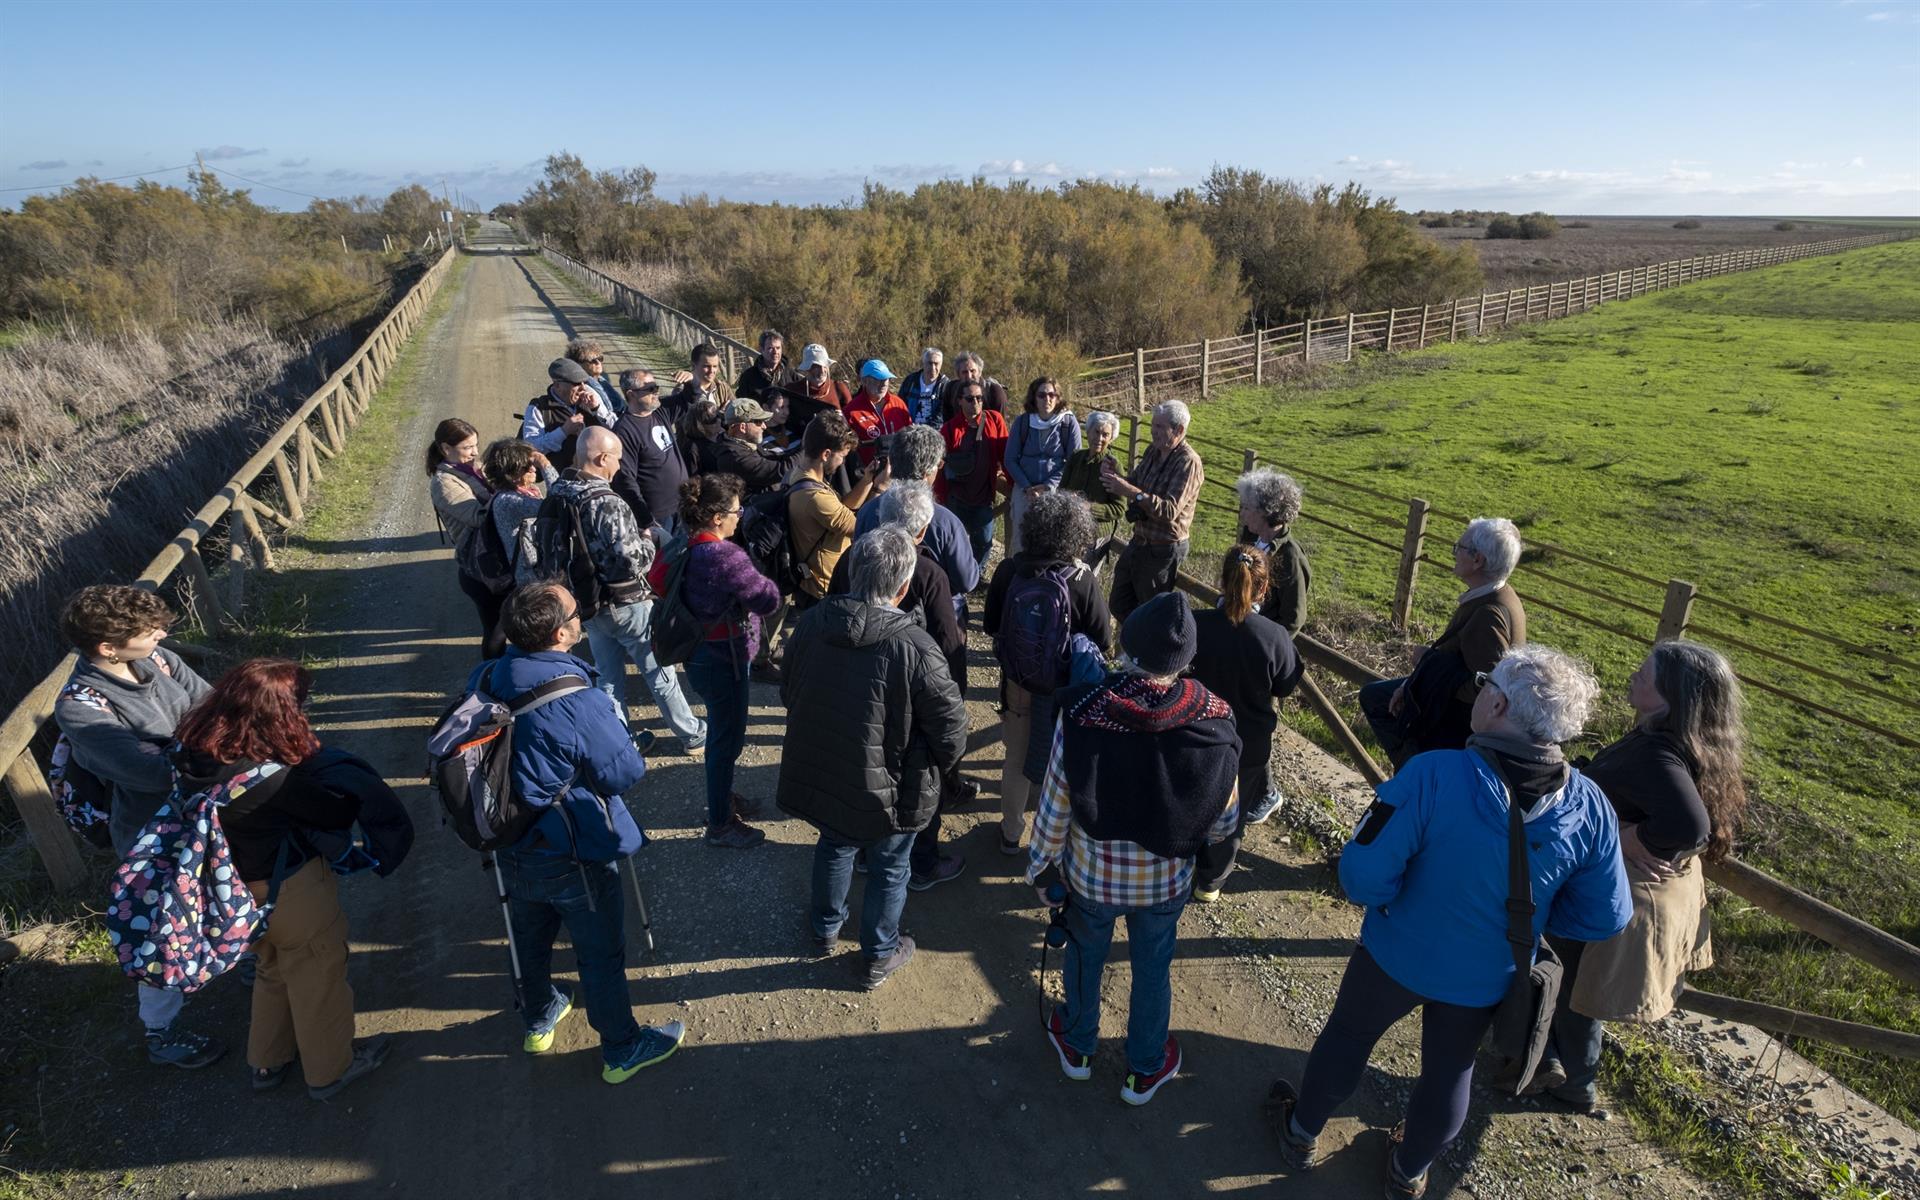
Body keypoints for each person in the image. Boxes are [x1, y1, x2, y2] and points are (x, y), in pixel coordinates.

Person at [1266, 645, 1631, 1199]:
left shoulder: (1432, 774)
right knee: (1448, 1073)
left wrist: (1397, 900)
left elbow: (1362, 875)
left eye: (1487, 684)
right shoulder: (1591, 807)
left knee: (1348, 1037)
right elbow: (1603, 916)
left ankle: (1301, 1134)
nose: (1479, 691)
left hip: (1396, 952)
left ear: (1500, 707)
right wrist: (1529, 921)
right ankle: (1408, 1172)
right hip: (1487, 975)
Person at [1029, 591, 1242, 1106]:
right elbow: (1225, 817)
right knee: (1153, 966)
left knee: (1083, 956)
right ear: (1185, 660)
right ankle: (1145, 1066)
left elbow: (1057, 801)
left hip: (1091, 876)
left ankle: (1077, 1046)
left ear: (1127, 648)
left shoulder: (1083, 712)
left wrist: (1042, 867)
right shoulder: (1215, 719)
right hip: (1166, 880)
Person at [472, 582, 686, 1083]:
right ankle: (621, 1047)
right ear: (561, 632)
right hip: (574, 846)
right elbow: (622, 774)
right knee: (600, 950)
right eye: (575, 611)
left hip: (509, 839)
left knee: (528, 933)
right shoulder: (578, 699)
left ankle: (540, 1016)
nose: (582, 616)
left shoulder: (485, 675)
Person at [170, 659, 397, 1100]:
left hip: (230, 889)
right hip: (289, 888)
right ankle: (331, 1070)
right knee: (317, 971)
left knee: (273, 967)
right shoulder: (267, 779)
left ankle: (268, 1060)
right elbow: (335, 812)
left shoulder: (194, 754)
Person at [1539, 640, 1748, 1112]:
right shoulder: (1682, 741)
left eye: (1646, 674)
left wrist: (1629, 836)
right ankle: (1548, 1060)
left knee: (1573, 983)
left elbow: (1691, 826)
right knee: (1569, 977)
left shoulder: (1659, 752)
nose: (1635, 675)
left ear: (1673, 694)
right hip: (1625, 889)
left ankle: (1572, 1081)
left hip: (1614, 892)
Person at [777, 527, 968, 988]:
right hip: (894, 784)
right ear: (903, 588)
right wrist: (938, 768)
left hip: (825, 767)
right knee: (889, 865)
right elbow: (951, 730)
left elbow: (790, 690)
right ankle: (879, 953)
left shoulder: (812, 622)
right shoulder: (916, 647)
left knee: (834, 843)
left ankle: (825, 928)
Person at [52, 585, 219, 1068]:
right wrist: (206, 749)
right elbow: (147, 772)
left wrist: (192, 747)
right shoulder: (80, 706)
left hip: (204, 807)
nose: (163, 634)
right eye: (150, 631)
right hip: (151, 833)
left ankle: (244, 958)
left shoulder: (160, 660)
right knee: (161, 926)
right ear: (108, 647)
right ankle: (161, 1031)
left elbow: (210, 706)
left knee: (230, 887)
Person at [829, 484, 968, 887]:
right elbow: (948, 642)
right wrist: (952, 697)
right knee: (915, 782)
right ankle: (922, 863)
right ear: (923, 530)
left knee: (864, 769)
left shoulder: (852, 557)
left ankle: (863, 852)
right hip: (912, 695)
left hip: (855, 684)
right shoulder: (928, 572)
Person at [556, 426, 707, 755]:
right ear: (602, 458)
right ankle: (691, 734)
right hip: (627, 603)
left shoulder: (559, 491)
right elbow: (631, 561)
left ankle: (621, 741)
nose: (619, 468)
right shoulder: (608, 502)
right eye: (617, 460)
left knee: (608, 677)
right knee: (659, 671)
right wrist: (648, 540)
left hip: (586, 604)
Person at [984, 493, 1114, 856]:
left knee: (1015, 759)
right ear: (1077, 534)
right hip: (1066, 688)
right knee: (1061, 764)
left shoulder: (1009, 569)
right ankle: (1053, 842)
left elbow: (992, 624)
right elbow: (1103, 638)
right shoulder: (1082, 579)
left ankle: (1011, 834)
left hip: (1019, 682)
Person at [665, 474, 781, 849]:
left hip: (698, 656)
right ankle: (719, 821)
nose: (739, 517)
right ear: (716, 517)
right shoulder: (726, 556)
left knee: (722, 732)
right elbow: (767, 600)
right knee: (724, 738)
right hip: (723, 659)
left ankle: (724, 798)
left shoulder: (683, 543)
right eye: (735, 511)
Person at [1359, 517, 1527, 767]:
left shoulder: (1488, 615)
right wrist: (1418, 677)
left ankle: (1414, 775)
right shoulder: (1496, 594)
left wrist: (1425, 678)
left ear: (1477, 560)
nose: (1454, 554)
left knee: (1375, 700)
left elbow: (1489, 686)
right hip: (1451, 710)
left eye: (1459, 547)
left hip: (1456, 723)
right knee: (1376, 695)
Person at [1188, 548, 1303, 900]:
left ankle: (1178, 860)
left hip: (1196, 732)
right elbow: (1286, 683)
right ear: (1264, 589)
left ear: (1221, 580)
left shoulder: (1195, 623)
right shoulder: (1274, 635)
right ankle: (1210, 881)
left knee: (1191, 796)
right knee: (1233, 814)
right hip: (1248, 741)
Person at [853, 424, 980, 614]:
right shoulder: (946, 522)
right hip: (934, 617)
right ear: (926, 473)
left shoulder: (868, 511)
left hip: (875, 613)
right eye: (939, 464)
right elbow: (967, 581)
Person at [1102, 400, 1203, 625]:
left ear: (1179, 430)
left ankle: (1142, 655)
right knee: (1119, 602)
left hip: (1163, 548)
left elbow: (1169, 510)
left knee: (1150, 613)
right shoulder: (1153, 451)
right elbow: (1135, 483)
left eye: (1160, 427)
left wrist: (1131, 492)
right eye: (1153, 425)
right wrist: (1115, 476)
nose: (1153, 432)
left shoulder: (1188, 462)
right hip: (1140, 540)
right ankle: (1132, 648)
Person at [788, 412, 887, 613]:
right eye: (842, 455)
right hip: (825, 589)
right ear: (826, 454)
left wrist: (868, 480)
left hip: (817, 583)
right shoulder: (814, 496)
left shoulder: (800, 475)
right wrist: (880, 488)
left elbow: (842, 509)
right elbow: (860, 527)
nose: (842, 462)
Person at [426, 418, 498, 644]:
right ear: (446, 448)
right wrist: (507, 495)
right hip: (479, 566)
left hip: (493, 558)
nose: (475, 452)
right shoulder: (443, 483)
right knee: (496, 632)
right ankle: (490, 676)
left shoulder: (472, 469)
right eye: (467, 447)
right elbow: (478, 517)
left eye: (476, 445)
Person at [1004, 377, 1082, 557]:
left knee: (1051, 540)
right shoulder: (1023, 422)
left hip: (1054, 493)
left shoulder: (1068, 423)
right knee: (1021, 541)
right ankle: (1018, 580)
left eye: (1051, 395)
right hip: (1025, 491)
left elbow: (1073, 461)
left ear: (1058, 397)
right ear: (1034, 398)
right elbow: (1010, 459)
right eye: (1041, 395)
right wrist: (1027, 487)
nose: (1047, 399)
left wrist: (1048, 485)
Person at [936, 377, 1011, 563]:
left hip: (983, 497)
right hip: (957, 498)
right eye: (970, 399)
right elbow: (939, 468)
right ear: (960, 400)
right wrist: (940, 498)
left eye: (979, 398)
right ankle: (958, 578)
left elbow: (1005, 454)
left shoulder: (995, 420)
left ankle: (976, 577)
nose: (975, 403)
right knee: (954, 542)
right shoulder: (949, 430)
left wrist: (1013, 485)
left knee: (984, 543)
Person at [609, 368, 687, 532]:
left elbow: (688, 399)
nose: (656, 392)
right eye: (650, 389)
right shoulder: (624, 431)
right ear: (631, 395)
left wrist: (690, 381)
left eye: (656, 387)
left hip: (683, 505)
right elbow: (625, 481)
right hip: (658, 517)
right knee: (665, 557)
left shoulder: (659, 412)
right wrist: (647, 521)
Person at [1236, 468, 1311, 635]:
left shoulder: (1290, 556)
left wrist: (1266, 645)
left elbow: (1292, 619)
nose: (1242, 514)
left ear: (1266, 512)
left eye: (1247, 508)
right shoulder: (1250, 538)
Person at [481, 438, 558, 590]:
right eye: (527, 466)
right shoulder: (510, 501)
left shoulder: (524, 492)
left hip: (534, 571)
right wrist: (546, 465)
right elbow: (557, 504)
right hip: (530, 578)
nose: (534, 469)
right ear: (511, 473)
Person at [521, 357, 616, 471]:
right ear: (557, 386)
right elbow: (531, 448)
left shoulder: (590, 394)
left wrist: (597, 408)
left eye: (584, 382)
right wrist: (563, 431)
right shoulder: (538, 408)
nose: (583, 387)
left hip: (595, 473)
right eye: (576, 383)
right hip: (561, 478)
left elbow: (616, 428)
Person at [1059, 411, 1127, 560]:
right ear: (1088, 431)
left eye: (1105, 435)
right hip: (1069, 531)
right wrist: (1069, 498)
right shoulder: (1076, 457)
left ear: (1111, 438)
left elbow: (1120, 509)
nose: (1099, 438)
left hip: (1095, 538)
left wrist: (1090, 508)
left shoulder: (1112, 466)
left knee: (1083, 580)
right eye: (1096, 432)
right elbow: (1061, 491)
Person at [709, 397, 787, 497]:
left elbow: (777, 459)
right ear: (742, 427)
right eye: (759, 422)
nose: (764, 426)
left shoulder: (746, 444)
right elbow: (779, 470)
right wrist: (808, 449)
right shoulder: (734, 457)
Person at [843, 359, 911, 468]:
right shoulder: (851, 411)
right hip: (868, 475)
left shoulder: (898, 403)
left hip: (899, 471)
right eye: (877, 379)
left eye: (886, 378)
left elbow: (910, 435)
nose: (884, 383)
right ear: (864, 381)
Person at [786, 343, 851, 436]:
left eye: (824, 365)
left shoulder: (839, 388)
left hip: (834, 444)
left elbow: (852, 422)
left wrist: (843, 420)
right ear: (807, 369)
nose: (822, 370)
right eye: (816, 366)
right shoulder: (793, 390)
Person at [663, 342, 734, 426]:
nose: (712, 371)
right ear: (693, 365)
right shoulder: (682, 391)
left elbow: (737, 414)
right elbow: (686, 423)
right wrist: (721, 414)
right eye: (706, 366)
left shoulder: (722, 387)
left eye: (715, 366)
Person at [735, 328, 799, 408]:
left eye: (778, 348)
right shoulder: (749, 377)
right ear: (761, 350)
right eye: (770, 348)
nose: (775, 352)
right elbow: (741, 405)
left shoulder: (790, 373)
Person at [566, 338, 626, 416]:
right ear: (578, 364)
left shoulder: (601, 381)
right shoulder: (583, 389)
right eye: (592, 360)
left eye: (600, 358)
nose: (598, 363)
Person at [948, 350, 1009, 420]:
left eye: (972, 371)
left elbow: (1000, 424)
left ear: (980, 372)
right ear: (958, 375)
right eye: (964, 372)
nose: (969, 376)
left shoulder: (995, 392)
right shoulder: (951, 389)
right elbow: (947, 423)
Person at [898, 347, 949, 427]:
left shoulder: (945, 386)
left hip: (934, 433)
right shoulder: (911, 381)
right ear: (923, 363)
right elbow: (900, 406)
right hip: (909, 429)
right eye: (929, 363)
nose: (933, 368)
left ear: (941, 364)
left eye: (936, 364)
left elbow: (941, 416)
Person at [675, 397, 726, 477]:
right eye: (712, 418)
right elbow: (692, 478)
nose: (718, 420)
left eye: (718, 415)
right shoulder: (691, 448)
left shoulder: (723, 434)